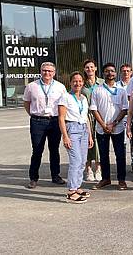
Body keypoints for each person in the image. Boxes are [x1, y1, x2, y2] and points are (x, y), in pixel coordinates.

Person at [23, 62, 67, 189]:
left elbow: (63, 105)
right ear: (40, 71)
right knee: (37, 150)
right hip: (38, 121)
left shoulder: (60, 87)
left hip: (54, 121)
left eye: (50, 71)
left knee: (54, 150)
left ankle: (55, 176)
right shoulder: (32, 86)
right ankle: (33, 178)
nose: (47, 73)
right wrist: (34, 115)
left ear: (54, 72)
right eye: (44, 70)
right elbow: (27, 103)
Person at [90, 63, 129, 190]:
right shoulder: (97, 90)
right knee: (103, 154)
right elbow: (94, 110)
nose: (110, 73)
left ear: (116, 73)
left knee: (120, 154)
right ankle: (105, 179)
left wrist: (114, 123)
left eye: (112, 71)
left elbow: (124, 109)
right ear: (103, 73)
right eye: (107, 71)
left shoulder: (122, 91)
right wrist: (103, 125)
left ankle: (121, 180)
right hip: (102, 129)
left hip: (117, 128)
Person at [59, 72, 93, 203]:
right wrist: (65, 136)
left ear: (83, 83)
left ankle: (77, 186)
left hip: (83, 129)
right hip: (72, 129)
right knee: (76, 160)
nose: (77, 83)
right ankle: (71, 191)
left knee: (83, 160)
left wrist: (90, 135)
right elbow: (61, 118)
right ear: (70, 83)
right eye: (75, 81)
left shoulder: (83, 98)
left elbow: (86, 118)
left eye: (80, 81)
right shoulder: (65, 97)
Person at [82, 59, 104, 182]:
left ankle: (98, 169)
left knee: (99, 143)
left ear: (95, 68)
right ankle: (89, 169)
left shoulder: (102, 82)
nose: (89, 69)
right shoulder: (82, 84)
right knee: (87, 143)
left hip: (99, 115)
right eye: (87, 67)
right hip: (86, 116)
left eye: (91, 67)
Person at [116, 63, 133, 175]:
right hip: (121, 116)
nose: (126, 73)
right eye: (124, 71)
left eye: (128, 71)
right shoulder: (116, 86)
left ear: (131, 72)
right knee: (122, 142)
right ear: (121, 72)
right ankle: (122, 164)